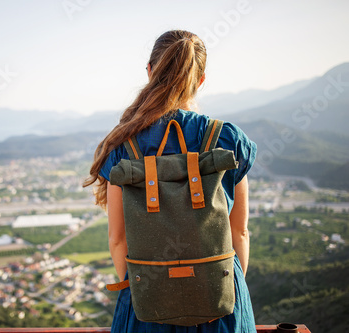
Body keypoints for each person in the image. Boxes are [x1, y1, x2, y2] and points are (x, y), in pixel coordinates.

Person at [83, 30, 257, 332]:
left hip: (146, 306)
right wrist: (223, 289)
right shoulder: (227, 139)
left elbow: (118, 239)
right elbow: (238, 232)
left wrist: (150, 288)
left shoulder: (124, 145)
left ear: (150, 72)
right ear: (201, 80)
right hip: (220, 306)